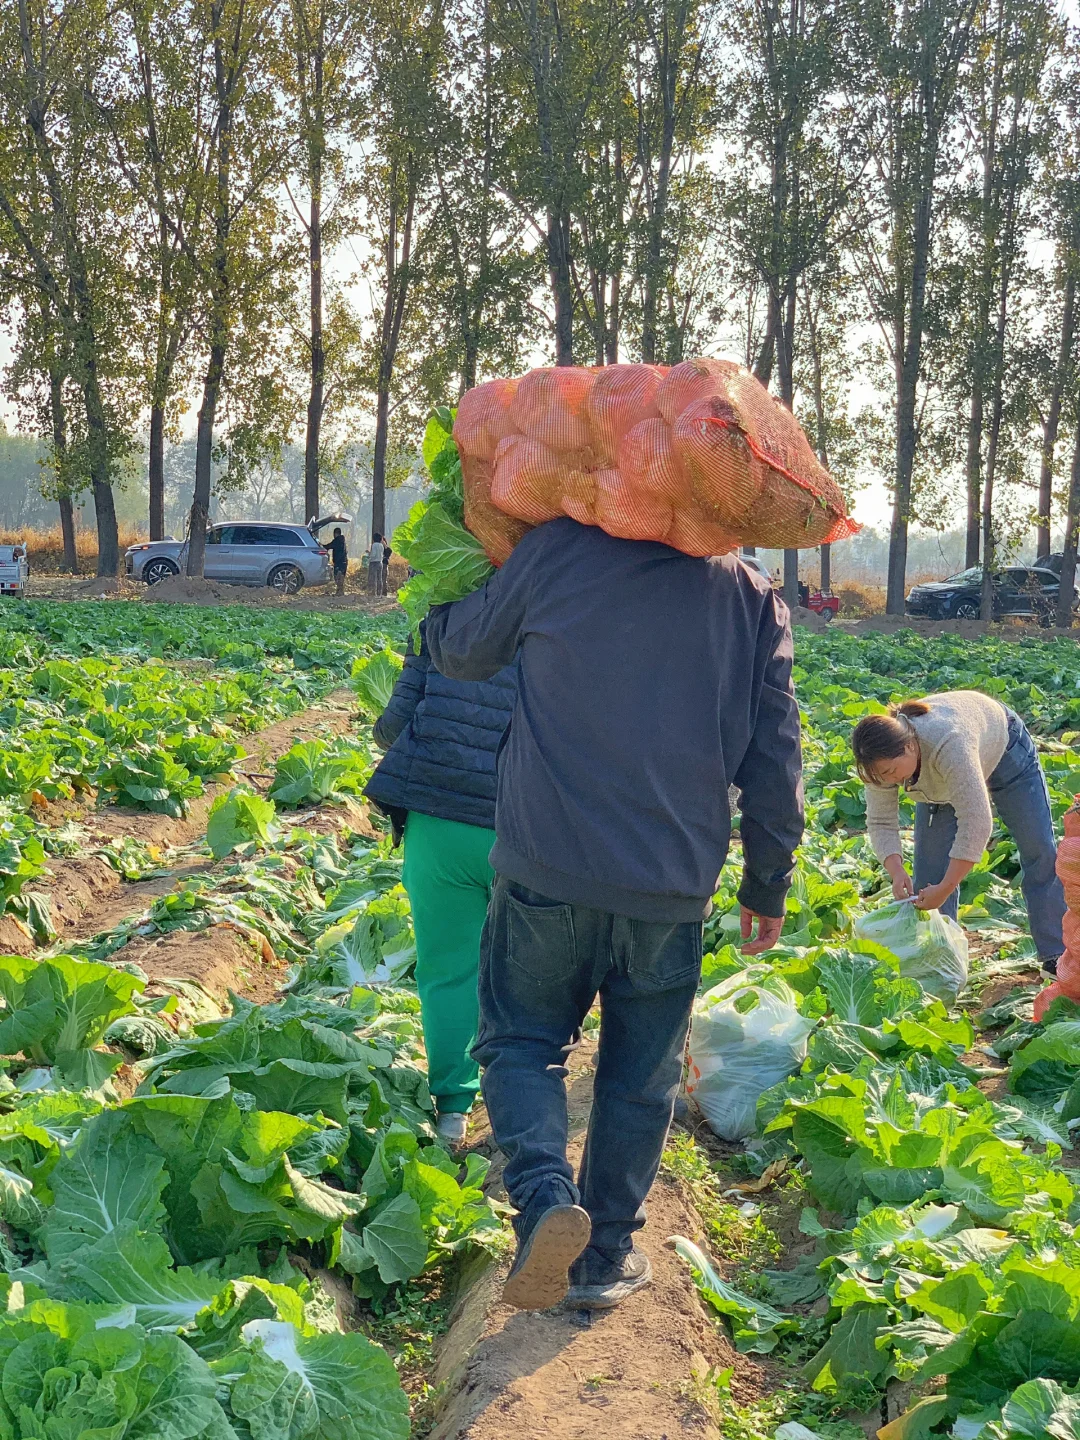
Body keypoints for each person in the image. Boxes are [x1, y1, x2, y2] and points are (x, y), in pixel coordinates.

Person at [425, 516, 803, 1313]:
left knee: (522, 1041)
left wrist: (443, 590)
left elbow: (462, 651)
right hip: (672, 880)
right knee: (640, 1074)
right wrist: (767, 882)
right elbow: (776, 751)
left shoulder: (558, 550)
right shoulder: (748, 591)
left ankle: (542, 1198)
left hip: (547, 865)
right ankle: (602, 1259)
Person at [364, 622, 516, 1146]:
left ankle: (453, 1111)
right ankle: (525, 1112)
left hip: (439, 816)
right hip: (529, 827)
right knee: (531, 970)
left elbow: (392, 727)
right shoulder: (560, 599)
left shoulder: (437, 612)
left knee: (448, 972)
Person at [852, 692, 1065, 972]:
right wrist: (896, 870)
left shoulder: (948, 743)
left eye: (892, 772)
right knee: (929, 879)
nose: (890, 781)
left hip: (1003, 745)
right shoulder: (878, 762)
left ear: (909, 747)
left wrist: (948, 886)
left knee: (1037, 847)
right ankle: (942, 966)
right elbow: (880, 821)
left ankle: (1056, 955)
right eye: (882, 777)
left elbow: (976, 820)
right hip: (940, 778)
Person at [328, 527, 348, 596]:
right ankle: (340, 591)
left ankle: (340, 592)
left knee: (338, 577)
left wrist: (321, 546)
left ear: (335, 533)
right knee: (341, 577)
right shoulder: (342, 541)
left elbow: (329, 546)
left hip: (339, 562)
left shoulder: (337, 541)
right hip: (344, 562)